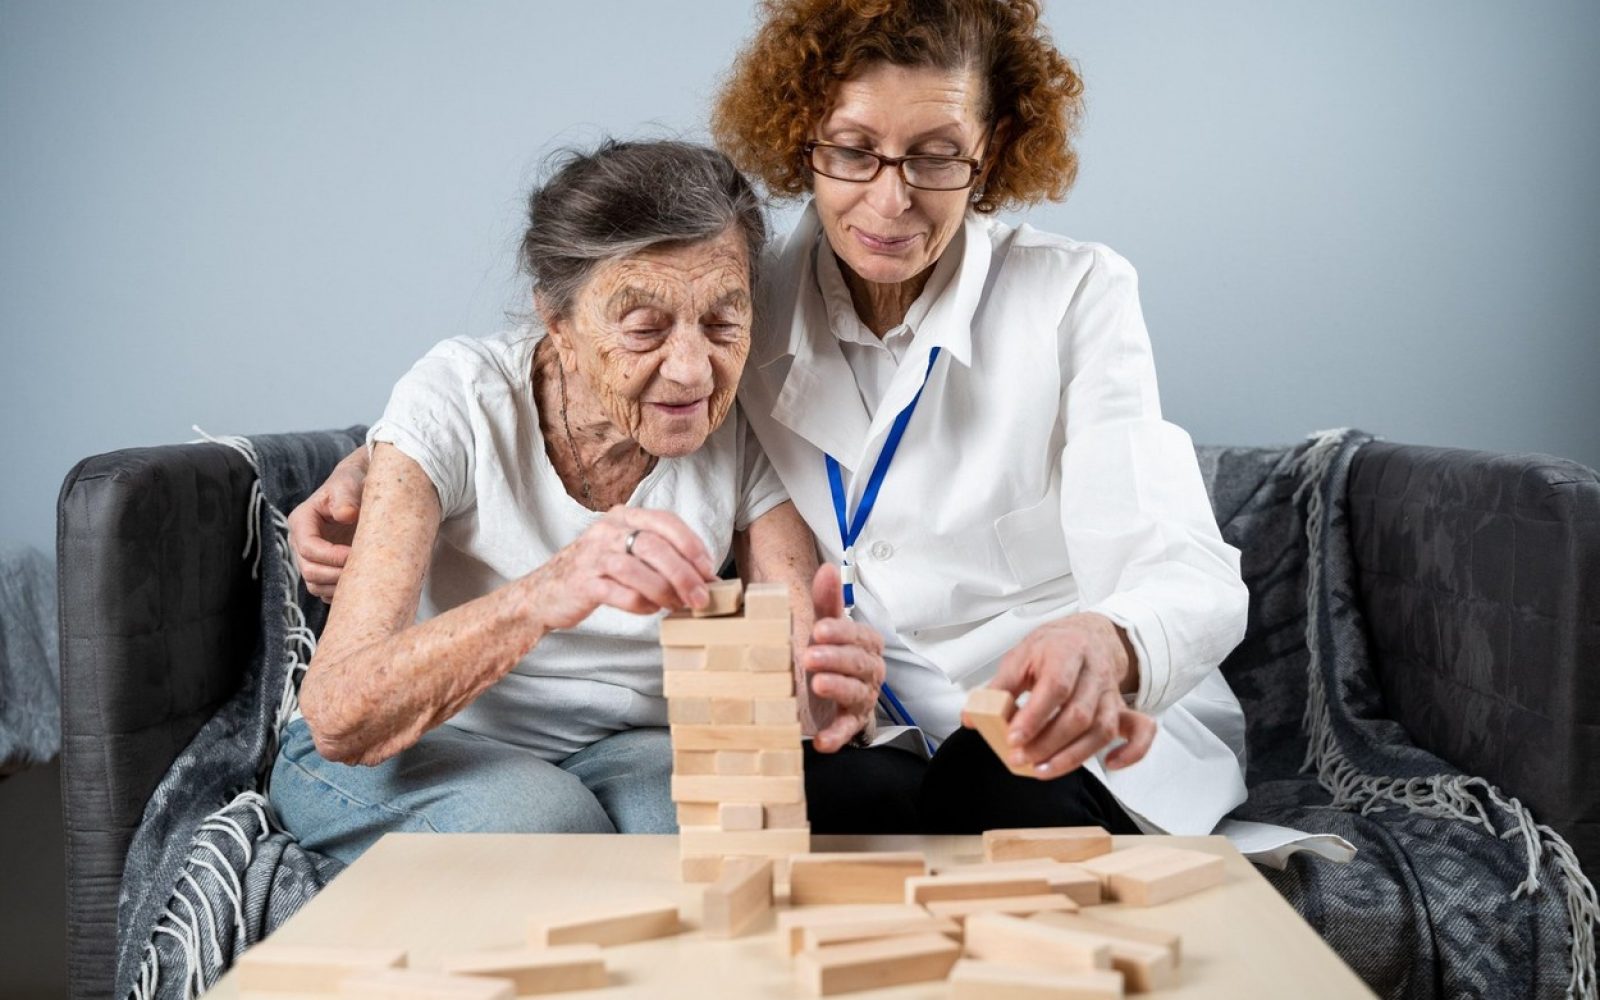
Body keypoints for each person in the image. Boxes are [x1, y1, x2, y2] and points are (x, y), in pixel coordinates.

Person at [294, 0, 1250, 839]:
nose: (890, 198)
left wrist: (1108, 642)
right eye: (852, 149)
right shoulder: (743, 300)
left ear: (987, 152)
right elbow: (519, 378)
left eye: (936, 156)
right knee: (783, 810)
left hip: (1034, 722)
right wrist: (379, 475)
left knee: (919, 793)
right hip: (878, 744)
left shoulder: (1073, 296)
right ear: (802, 138)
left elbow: (1176, 564)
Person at [271, 140, 887, 864]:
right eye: (644, 328)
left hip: (627, 749)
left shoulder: (745, 418)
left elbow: (795, 680)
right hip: (425, 743)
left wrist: (827, 694)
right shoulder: (457, 400)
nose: (692, 371)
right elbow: (343, 712)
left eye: (723, 321)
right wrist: (544, 595)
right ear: (557, 323)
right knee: (548, 827)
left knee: (717, 844)